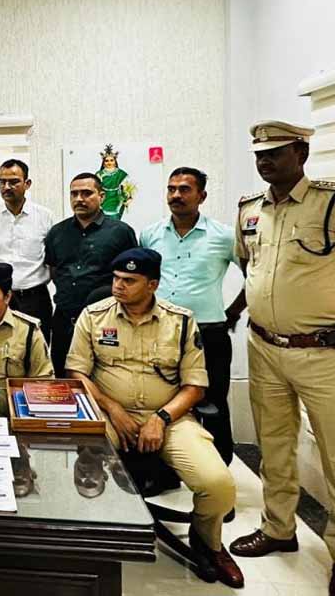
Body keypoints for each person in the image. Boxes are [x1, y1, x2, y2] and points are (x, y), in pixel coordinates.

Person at [227, 121, 335, 596]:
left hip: (321, 350)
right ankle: (279, 527)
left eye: (276, 152)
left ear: (301, 153)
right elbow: (252, 269)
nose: (265, 161)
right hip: (264, 347)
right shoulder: (249, 209)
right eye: (259, 154)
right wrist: (236, 314)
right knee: (274, 446)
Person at [67, 249, 244, 588]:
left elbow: (195, 387)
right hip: (109, 414)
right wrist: (112, 408)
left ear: (152, 284)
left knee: (218, 485)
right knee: (85, 458)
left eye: (129, 281)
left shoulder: (181, 322)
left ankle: (208, 542)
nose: (118, 286)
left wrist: (160, 418)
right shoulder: (94, 316)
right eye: (116, 279)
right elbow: (77, 373)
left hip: (170, 418)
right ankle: (93, 534)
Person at [139, 166, 242, 465]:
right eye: (171, 189)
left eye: (184, 189)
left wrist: (233, 312)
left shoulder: (224, 236)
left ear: (202, 196)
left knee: (213, 404)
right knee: (162, 399)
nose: (176, 195)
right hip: (159, 331)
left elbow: (256, 276)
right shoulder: (150, 234)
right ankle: (166, 469)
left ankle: (219, 473)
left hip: (207, 332)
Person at [45, 172, 137, 376]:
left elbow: (131, 277)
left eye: (86, 193)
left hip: (106, 321)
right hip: (64, 319)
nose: (79, 199)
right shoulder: (57, 232)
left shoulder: (121, 232)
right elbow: (54, 271)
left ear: (101, 196)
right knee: (63, 377)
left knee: (106, 377)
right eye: (74, 194)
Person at [0, 158, 55, 341]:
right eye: (2, 182)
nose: (6, 187)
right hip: (2, 298)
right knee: (1, 349)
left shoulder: (45, 217)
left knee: (38, 349)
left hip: (36, 297)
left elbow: (53, 258)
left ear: (27, 184)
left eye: (13, 182)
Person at [95, 144, 132, 221]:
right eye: (107, 160)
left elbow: (126, 188)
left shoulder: (121, 174)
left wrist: (128, 197)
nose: (109, 162)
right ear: (103, 162)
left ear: (115, 161)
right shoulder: (99, 174)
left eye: (111, 160)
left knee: (115, 220)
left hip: (117, 199)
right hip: (104, 200)